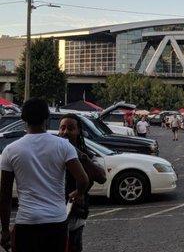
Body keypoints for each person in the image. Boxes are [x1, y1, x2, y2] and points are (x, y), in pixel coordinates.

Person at [0, 98, 89, 252]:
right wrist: (78, 192)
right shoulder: (63, 146)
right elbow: (83, 179)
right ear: (47, 118)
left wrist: (5, 230)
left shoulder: (11, 150)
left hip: (26, 223)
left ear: (23, 119)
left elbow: (5, 194)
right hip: (56, 222)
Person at [59, 114, 106, 252]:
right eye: (62, 128)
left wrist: (78, 154)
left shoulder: (85, 154)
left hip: (75, 216)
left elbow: (102, 176)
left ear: (79, 131)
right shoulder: (53, 151)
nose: (65, 132)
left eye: (70, 128)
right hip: (53, 214)